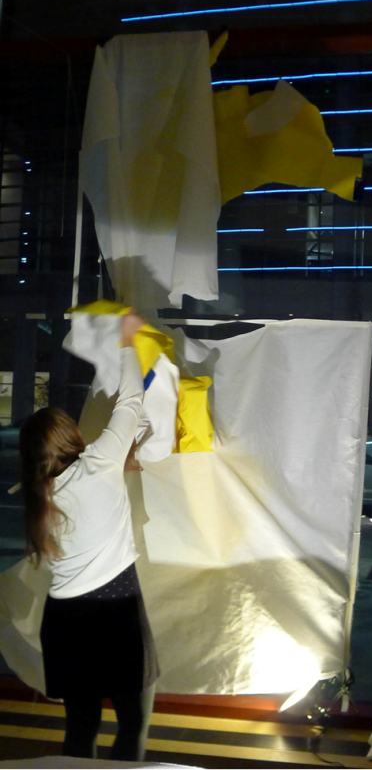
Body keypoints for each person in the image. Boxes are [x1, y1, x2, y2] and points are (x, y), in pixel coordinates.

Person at [19, 312, 158, 761]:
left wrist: (120, 464)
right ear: (68, 435)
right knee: (131, 722)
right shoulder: (99, 461)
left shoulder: (38, 492)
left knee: (81, 727)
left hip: (66, 624)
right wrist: (127, 339)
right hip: (114, 610)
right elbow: (131, 398)